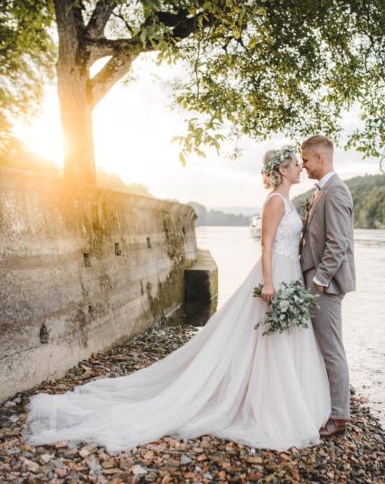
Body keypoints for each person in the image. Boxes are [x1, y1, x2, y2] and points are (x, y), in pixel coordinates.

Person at [22, 145, 331, 454]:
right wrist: (268, 282)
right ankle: (270, 404)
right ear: (281, 170)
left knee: (279, 336)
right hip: (276, 272)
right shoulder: (275, 202)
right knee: (265, 337)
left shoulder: (288, 202)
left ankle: (283, 397)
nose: (299, 168)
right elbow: (265, 245)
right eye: (294, 164)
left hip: (290, 273)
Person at [299, 135, 356, 437]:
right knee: (323, 347)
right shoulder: (322, 191)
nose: (304, 166)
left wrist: (319, 281)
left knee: (332, 350)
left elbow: (338, 243)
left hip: (327, 285)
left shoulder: (335, 192)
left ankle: (339, 417)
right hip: (316, 281)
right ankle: (326, 406)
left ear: (320, 158)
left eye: (306, 160)